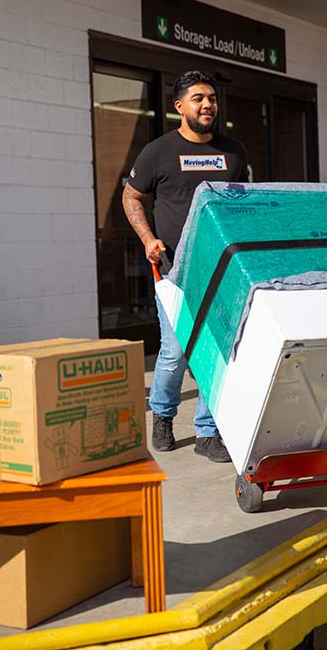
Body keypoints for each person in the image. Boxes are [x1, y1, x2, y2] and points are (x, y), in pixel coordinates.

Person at [122, 70, 248, 462]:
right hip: (173, 267)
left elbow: (242, 203)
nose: (208, 104)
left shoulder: (233, 152)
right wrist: (148, 239)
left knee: (212, 351)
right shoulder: (157, 152)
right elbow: (131, 197)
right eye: (198, 98)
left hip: (222, 268)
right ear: (180, 107)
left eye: (211, 98)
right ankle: (162, 414)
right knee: (176, 352)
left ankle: (208, 432)